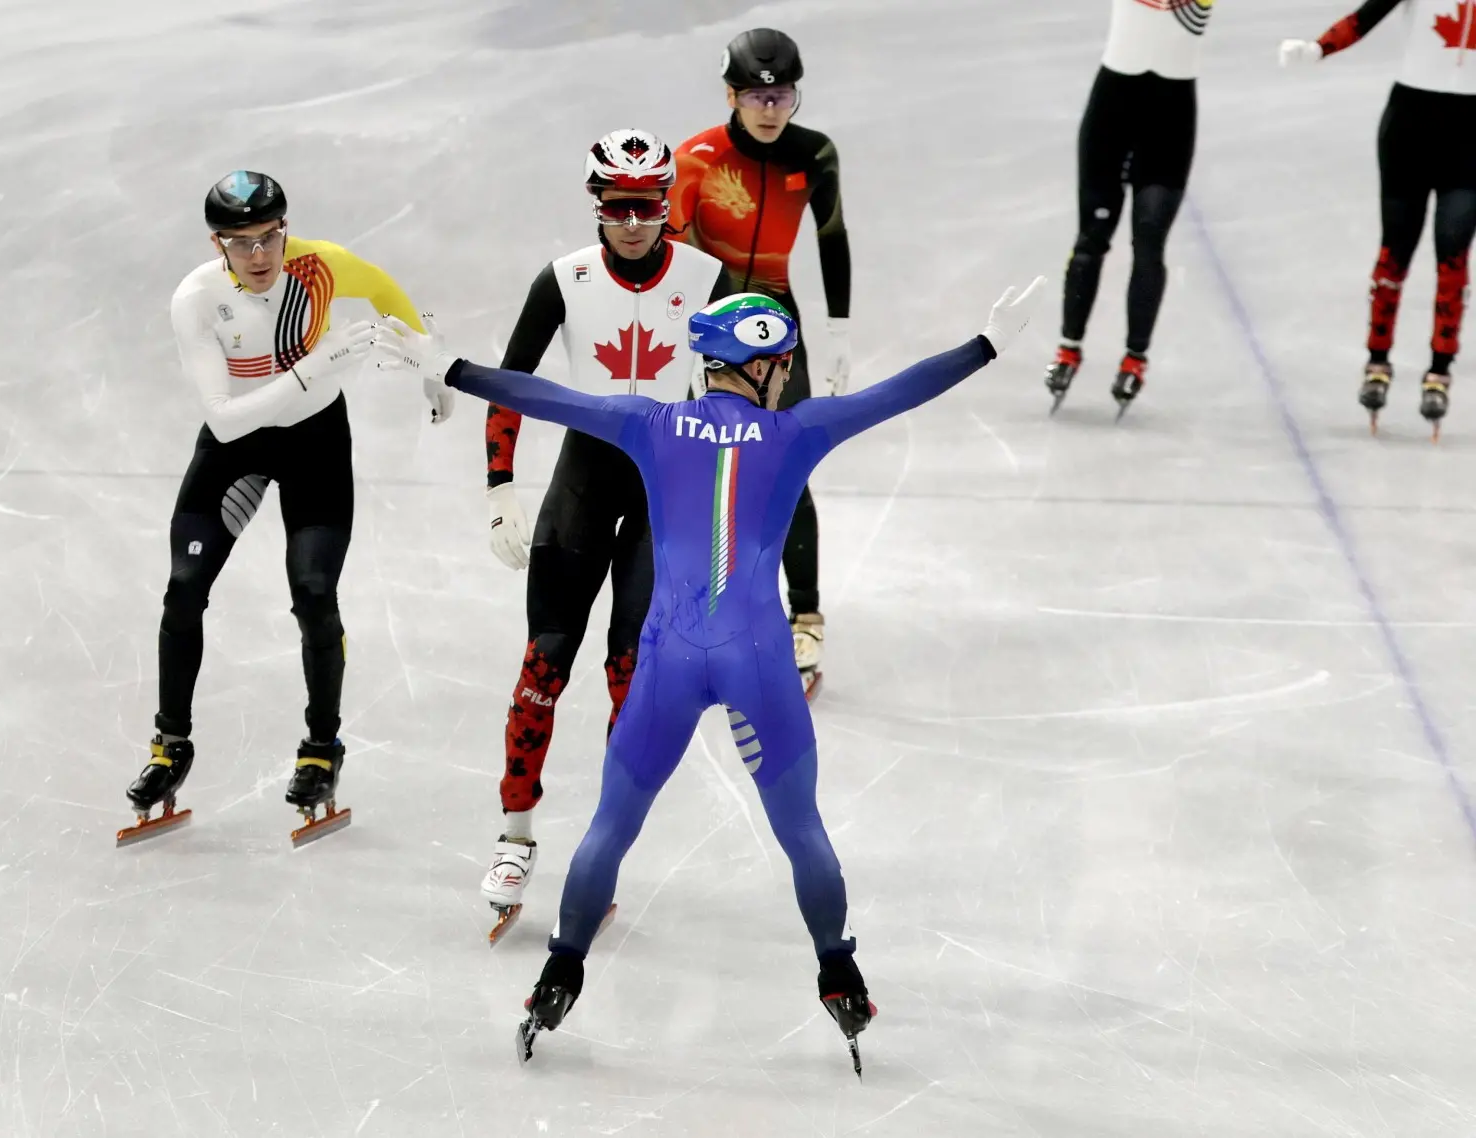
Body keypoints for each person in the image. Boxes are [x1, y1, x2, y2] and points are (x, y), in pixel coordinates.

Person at [382, 276, 1044, 1071]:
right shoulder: (799, 432)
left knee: (609, 829)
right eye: (785, 365)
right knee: (802, 832)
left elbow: (544, 395)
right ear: (761, 366)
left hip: (668, 659)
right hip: (759, 661)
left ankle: (560, 971)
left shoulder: (648, 421)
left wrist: (449, 365)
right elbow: (900, 392)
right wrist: (988, 344)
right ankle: (839, 973)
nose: (789, 379)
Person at [119, 171, 440, 848]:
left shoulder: (317, 266)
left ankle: (322, 746)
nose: (260, 256)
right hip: (237, 449)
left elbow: (382, 287)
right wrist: (311, 367)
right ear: (217, 245)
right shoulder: (197, 300)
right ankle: (169, 744)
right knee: (183, 589)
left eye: (270, 238)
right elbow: (227, 425)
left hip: (316, 446)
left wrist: (430, 361)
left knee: (315, 592)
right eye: (241, 244)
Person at [476, 130, 727, 936]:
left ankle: (605, 843)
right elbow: (510, 381)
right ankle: (515, 836)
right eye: (616, 209)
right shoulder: (564, 279)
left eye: (646, 208)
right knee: (543, 662)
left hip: (665, 486)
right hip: (583, 478)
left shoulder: (706, 277)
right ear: (596, 207)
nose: (631, 224)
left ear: (667, 206)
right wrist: (500, 486)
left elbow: (748, 395)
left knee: (631, 671)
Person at [669, 27, 850, 698]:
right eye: (757, 95)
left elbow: (833, 238)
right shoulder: (694, 160)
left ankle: (804, 613)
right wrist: (679, 344)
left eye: (783, 95)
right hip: (712, 328)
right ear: (731, 95)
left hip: (777, 326)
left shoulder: (814, 153)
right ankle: (709, 612)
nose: (771, 109)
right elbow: (673, 257)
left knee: (784, 472)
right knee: (704, 476)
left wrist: (840, 331)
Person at [1280, 0, 1476, 439]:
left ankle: (1440, 369)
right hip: (1411, 127)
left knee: (1453, 246)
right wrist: (1318, 48)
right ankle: (1377, 359)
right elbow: (1365, 17)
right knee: (1397, 248)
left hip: (1470, 137)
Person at [1044, 0, 1215, 416]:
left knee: (1150, 240)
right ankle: (1069, 347)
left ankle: (1135, 356)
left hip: (1170, 118)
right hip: (1113, 107)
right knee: (1092, 237)